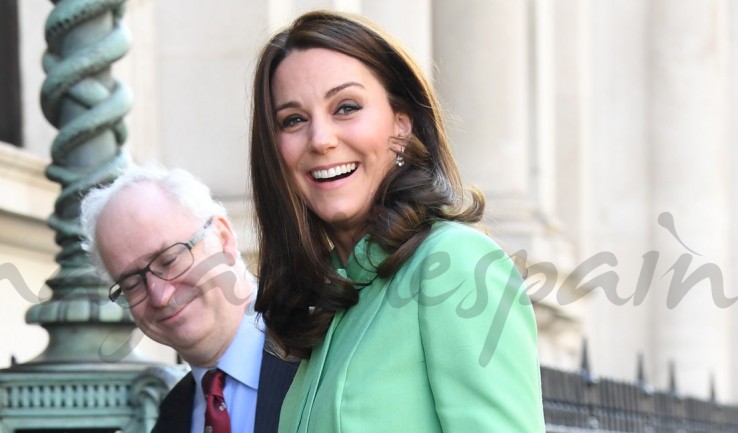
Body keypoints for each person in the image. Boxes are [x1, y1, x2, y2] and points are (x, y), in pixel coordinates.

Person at [249, 10, 545, 433]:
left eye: (346, 107)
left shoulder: (455, 263)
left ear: (401, 126)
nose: (320, 139)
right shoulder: (331, 301)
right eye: (293, 119)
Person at [80, 164, 297, 433]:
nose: (160, 295)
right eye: (132, 283)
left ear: (223, 238)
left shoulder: (322, 355)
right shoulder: (170, 419)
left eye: (169, 260)